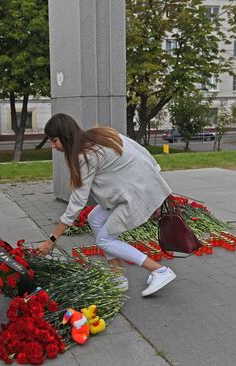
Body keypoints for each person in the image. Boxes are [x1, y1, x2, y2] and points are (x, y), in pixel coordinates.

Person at [36, 113, 176, 297]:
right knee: (94, 218)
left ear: (66, 136)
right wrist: (155, 171)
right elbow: (139, 148)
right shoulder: (99, 134)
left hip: (137, 194)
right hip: (140, 187)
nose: (53, 146)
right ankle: (118, 277)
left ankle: (159, 271)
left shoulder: (85, 155)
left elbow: (77, 202)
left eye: (54, 140)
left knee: (104, 239)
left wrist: (51, 241)